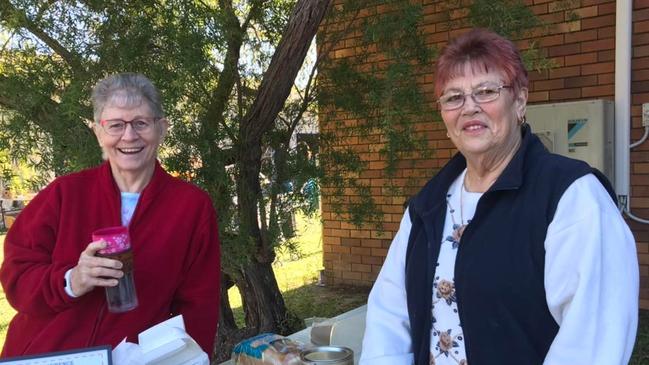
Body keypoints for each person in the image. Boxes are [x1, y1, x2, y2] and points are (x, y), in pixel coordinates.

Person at [360, 29, 639, 365]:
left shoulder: (571, 197)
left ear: (519, 101)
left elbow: (593, 341)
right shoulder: (427, 206)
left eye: (486, 91)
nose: (469, 108)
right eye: (453, 97)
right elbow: (389, 318)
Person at [0, 73, 221, 357]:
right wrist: (71, 280)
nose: (129, 136)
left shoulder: (191, 207)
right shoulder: (64, 194)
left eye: (141, 123)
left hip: (131, 358)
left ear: (162, 129)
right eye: (115, 125)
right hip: (47, 356)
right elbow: (17, 278)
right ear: (98, 132)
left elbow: (198, 306)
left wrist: (189, 360)